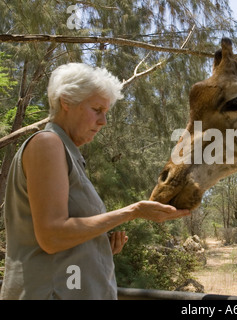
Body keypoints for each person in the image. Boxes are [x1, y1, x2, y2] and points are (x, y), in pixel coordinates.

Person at [0, 63, 190, 300]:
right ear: (66, 101)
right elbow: (52, 237)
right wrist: (134, 211)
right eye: (97, 109)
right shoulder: (47, 144)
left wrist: (96, 246)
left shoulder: (66, 153)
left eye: (106, 112)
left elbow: (60, 241)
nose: (104, 121)